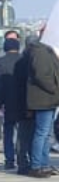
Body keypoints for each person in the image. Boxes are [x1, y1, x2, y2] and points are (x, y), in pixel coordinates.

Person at [23, 30, 59, 178]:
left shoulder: (45, 50)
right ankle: (36, 165)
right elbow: (41, 74)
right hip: (44, 99)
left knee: (46, 133)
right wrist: (54, 88)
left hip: (48, 99)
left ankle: (44, 164)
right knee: (42, 133)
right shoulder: (40, 51)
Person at [1, 37, 21, 170]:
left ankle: (9, 159)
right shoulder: (24, 60)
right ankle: (22, 158)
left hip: (7, 101)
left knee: (8, 131)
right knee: (22, 132)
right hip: (23, 101)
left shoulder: (1, 62)